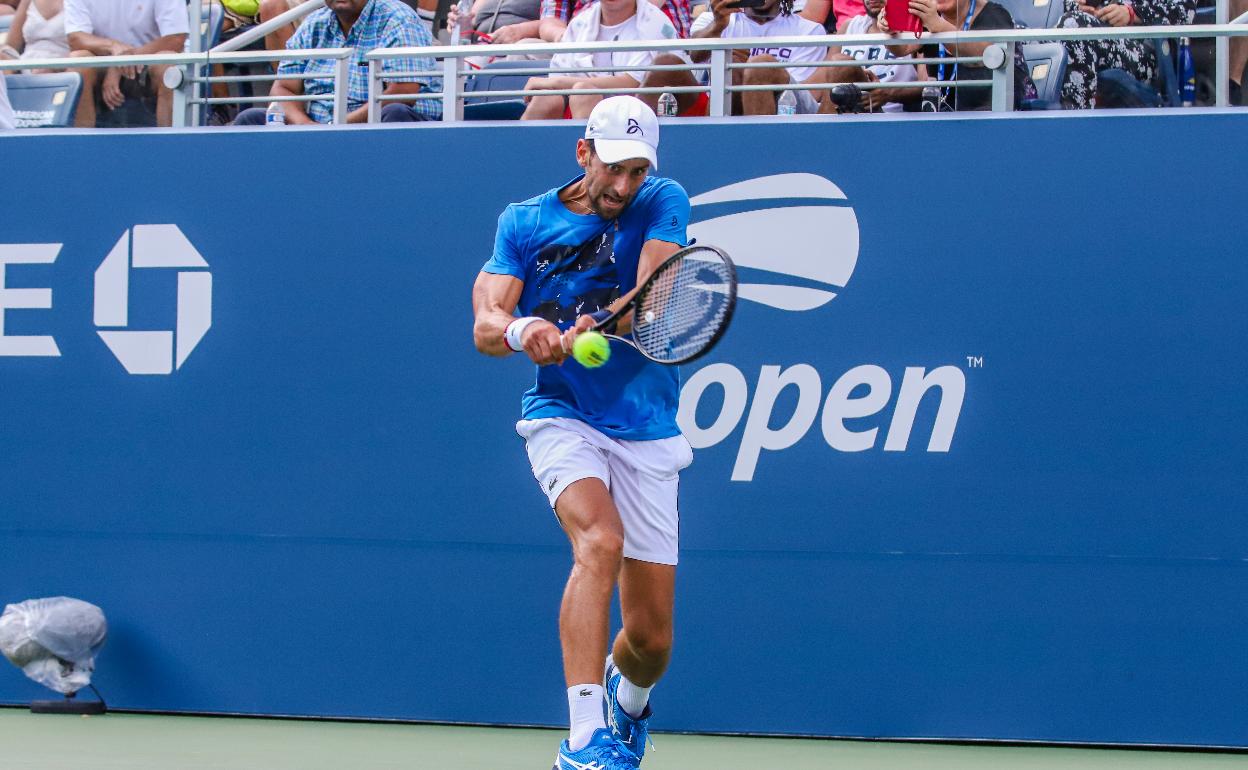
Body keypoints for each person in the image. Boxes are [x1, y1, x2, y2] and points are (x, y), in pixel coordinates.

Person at [472, 95, 692, 770]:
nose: (623, 186)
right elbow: (485, 324)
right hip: (562, 417)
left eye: (637, 172)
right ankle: (582, 737)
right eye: (613, 169)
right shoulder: (525, 221)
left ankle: (627, 706)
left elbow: (654, 298)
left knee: (652, 642)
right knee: (599, 539)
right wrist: (524, 330)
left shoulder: (663, 200)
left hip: (646, 425)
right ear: (583, 152)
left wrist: (600, 323)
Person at [233, 0, 441, 125]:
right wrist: (305, 125)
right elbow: (283, 89)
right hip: (319, 127)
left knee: (395, 113)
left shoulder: (398, 19)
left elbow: (403, 93)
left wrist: (339, 125)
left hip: (376, 126)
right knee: (250, 119)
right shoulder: (314, 24)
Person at [640, 0, 826, 116]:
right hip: (716, 106)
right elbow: (694, 55)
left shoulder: (809, 30)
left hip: (784, 111)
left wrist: (751, 68)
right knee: (665, 64)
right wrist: (718, 25)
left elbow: (795, 95)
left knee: (758, 66)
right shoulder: (714, 21)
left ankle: (759, 153)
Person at [521, 0, 679, 119]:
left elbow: (633, 83)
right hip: (578, 109)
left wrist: (558, 83)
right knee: (546, 99)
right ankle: (517, 159)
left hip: (637, 119)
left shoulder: (655, 23)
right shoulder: (580, 24)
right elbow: (559, 78)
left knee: (584, 93)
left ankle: (587, 160)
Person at [880, 0, 1035, 110]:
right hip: (949, 116)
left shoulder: (995, 14)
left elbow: (988, 56)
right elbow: (902, 48)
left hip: (998, 114)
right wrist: (890, 31)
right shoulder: (931, 18)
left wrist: (939, 27)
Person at [64, 0, 188, 127]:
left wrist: (127, 59)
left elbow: (175, 39)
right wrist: (113, 47)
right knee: (78, 62)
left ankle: (170, 143)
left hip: (149, 60)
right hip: (102, 61)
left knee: (168, 67)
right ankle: (81, 143)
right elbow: (75, 39)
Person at [1054, 0, 1194, 108]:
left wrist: (1132, 13)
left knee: (1074, 25)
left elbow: (1184, 11)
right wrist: (1074, 5)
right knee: (1039, 38)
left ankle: (1074, 126)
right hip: (1099, 36)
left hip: (1144, 53)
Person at [0, 0, 69, 73]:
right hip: (25, 66)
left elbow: (80, 50)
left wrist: (54, 66)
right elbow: (11, 47)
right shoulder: (27, 1)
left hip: (63, 67)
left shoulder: (78, 3)